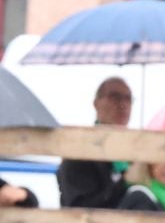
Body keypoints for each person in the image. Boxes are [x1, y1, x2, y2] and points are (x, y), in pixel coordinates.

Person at [56, 78, 134, 212]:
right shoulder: (79, 150)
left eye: (128, 99)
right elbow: (79, 205)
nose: (123, 104)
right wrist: (125, 180)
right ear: (96, 103)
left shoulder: (136, 150)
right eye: (115, 97)